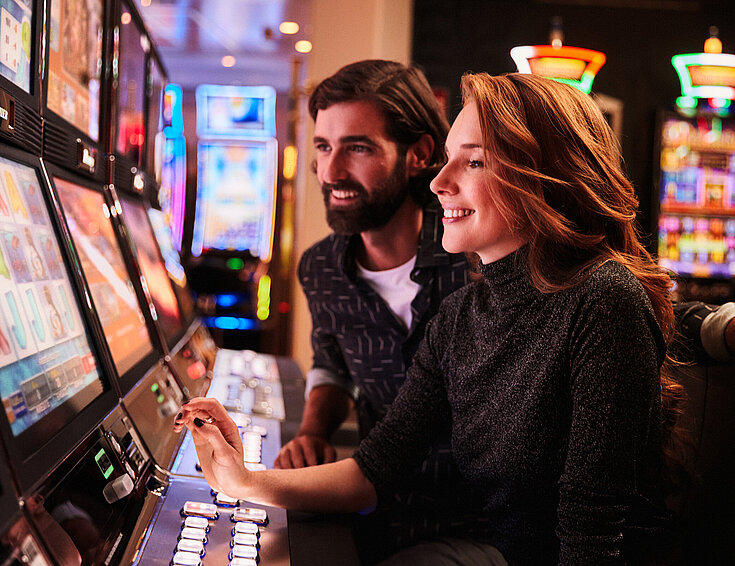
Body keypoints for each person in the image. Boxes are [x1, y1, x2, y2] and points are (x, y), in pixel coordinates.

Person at [177, 72, 695, 565]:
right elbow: (375, 468)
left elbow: (592, 537)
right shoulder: (462, 317)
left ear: (544, 178)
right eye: (448, 159)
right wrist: (244, 480)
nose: (439, 183)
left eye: (473, 163)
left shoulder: (602, 301)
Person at [272, 59, 485, 559]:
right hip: (381, 509)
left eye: (358, 148)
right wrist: (311, 432)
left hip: (479, 522)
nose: (330, 172)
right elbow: (332, 363)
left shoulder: (475, 257)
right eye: (323, 147)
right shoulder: (321, 267)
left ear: (418, 154)